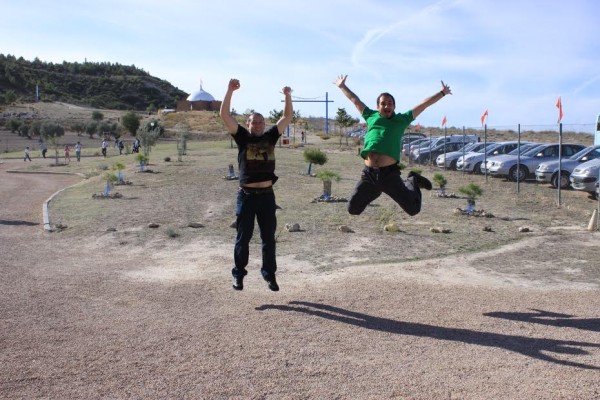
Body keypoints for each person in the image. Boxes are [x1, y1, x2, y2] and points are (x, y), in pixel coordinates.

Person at [334, 74, 451, 217]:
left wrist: (442, 93)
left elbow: (423, 105)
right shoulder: (371, 116)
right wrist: (342, 86)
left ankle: (413, 180)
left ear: (394, 106)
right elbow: (354, 99)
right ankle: (376, 189)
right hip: (369, 174)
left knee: (413, 209)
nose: (387, 106)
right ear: (378, 107)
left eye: (390, 103)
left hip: (389, 175)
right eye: (383, 103)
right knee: (353, 209)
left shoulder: (402, 119)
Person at [220, 78, 293, 292]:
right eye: (254, 122)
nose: (258, 125)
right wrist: (229, 91)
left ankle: (269, 275)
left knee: (268, 238)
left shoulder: (271, 136)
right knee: (243, 237)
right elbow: (224, 115)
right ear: (249, 124)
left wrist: (287, 96)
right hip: (247, 196)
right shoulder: (242, 137)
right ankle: (238, 275)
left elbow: (287, 116)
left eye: (261, 122)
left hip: (267, 196)